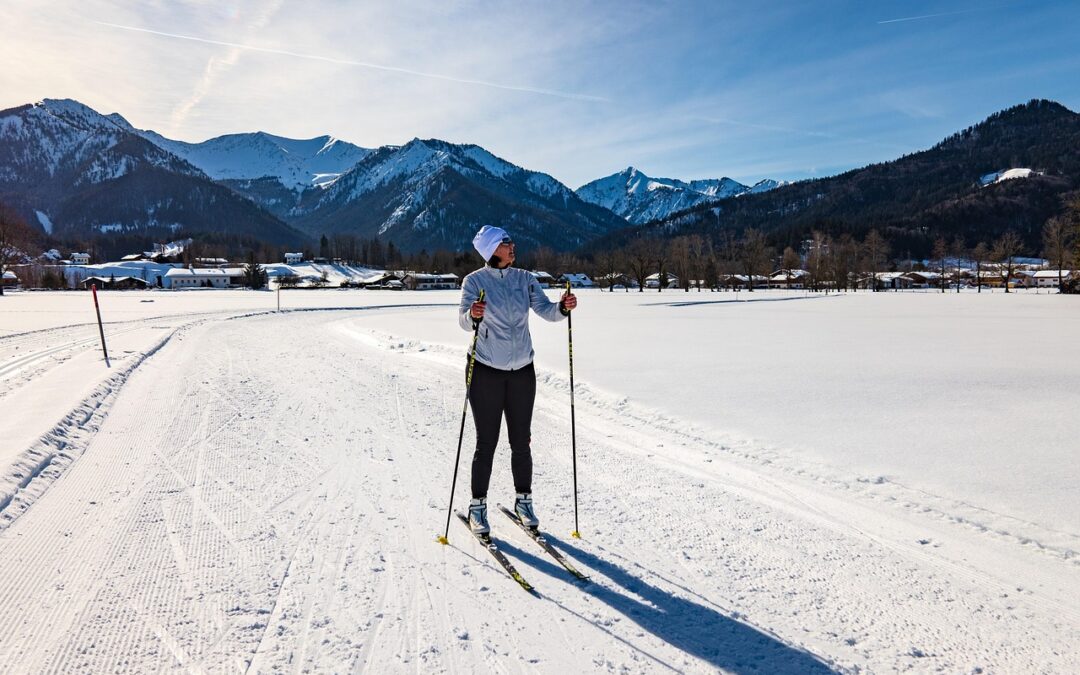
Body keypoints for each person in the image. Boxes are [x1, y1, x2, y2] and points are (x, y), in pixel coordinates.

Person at [458, 225, 577, 534]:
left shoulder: (525, 279)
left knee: (521, 441)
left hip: (522, 371)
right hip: (485, 371)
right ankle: (477, 507)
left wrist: (562, 308)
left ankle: (523, 501)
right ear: (491, 249)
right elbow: (463, 320)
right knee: (487, 442)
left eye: (510, 241)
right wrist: (474, 313)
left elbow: (547, 311)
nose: (512, 246)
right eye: (505, 243)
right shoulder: (474, 281)